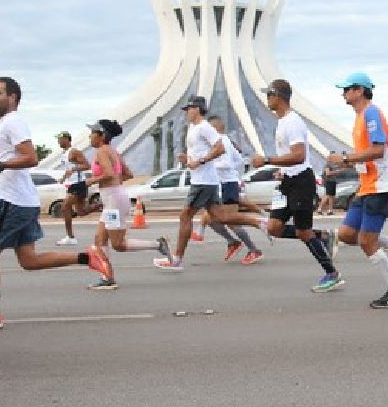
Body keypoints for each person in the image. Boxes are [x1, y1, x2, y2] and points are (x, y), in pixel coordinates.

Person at [0, 76, 115, 335]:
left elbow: (31, 158)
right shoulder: (8, 125)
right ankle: (87, 257)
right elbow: (13, 160)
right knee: (29, 261)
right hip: (22, 200)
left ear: (13, 98)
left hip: (11, 201)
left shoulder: (13, 122)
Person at [326, 72, 388, 308]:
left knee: (366, 241)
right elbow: (380, 145)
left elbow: (377, 150)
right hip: (366, 186)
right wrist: (345, 166)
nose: (343, 93)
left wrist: (344, 158)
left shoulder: (371, 112)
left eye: (347, 89)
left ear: (360, 91)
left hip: (380, 187)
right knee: (346, 235)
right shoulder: (360, 116)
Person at [249, 79, 342, 290]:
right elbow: (290, 155)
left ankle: (331, 273)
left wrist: (267, 160)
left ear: (278, 96)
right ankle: (322, 236)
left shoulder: (293, 122)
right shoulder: (282, 121)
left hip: (301, 181)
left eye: (269, 95)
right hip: (288, 182)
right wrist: (281, 170)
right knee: (273, 228)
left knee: (303, 232)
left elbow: (299, 155)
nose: (266, 100)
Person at [153, 96, 265, 271]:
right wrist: (188, 159)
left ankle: (176, 260)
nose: (186, 113)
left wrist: (201, 161)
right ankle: (259, 222)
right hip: (206, 180)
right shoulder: (193, 128)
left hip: (204, 181)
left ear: (197, 109)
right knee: (220, 218)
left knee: (185, 216)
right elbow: (198, 153)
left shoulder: (205, 127)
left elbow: (219, 148)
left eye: (188, 109)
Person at [84, 119, 172, 289]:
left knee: (118, 244)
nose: (90, 136)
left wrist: (90, 182)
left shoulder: (102, 151)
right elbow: (128, 174)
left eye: (92, 133)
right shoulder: (113, 151)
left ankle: (158, 244)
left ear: (101, 135)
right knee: (99, 239)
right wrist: (111, 186)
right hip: (114, 198)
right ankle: (107, 278)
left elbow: (109, 173)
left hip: (114, 201)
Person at [207, 115, 265, 265]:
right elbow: (239, 160)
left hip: (227, 184)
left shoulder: (223, 141)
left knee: (230, 220)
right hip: (222, 183)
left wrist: (206, 163)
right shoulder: (220, 142)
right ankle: (234, 241)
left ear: (215, 128)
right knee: (211, 219)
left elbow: (227, 163)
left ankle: (255, 243)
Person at [56, 131, 93, 246]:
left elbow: (87, 165)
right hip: (73, 184)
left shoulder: (74, 151)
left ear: (67, 139)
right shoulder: (64, 154)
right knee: (81, 212)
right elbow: (69, 169)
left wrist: (74, 170)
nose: (59, 141)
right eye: (58, 139)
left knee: (65, 207)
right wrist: (63, 178)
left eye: (61, 139)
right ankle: (101, 206)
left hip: (79, 183)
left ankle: (70, 237)